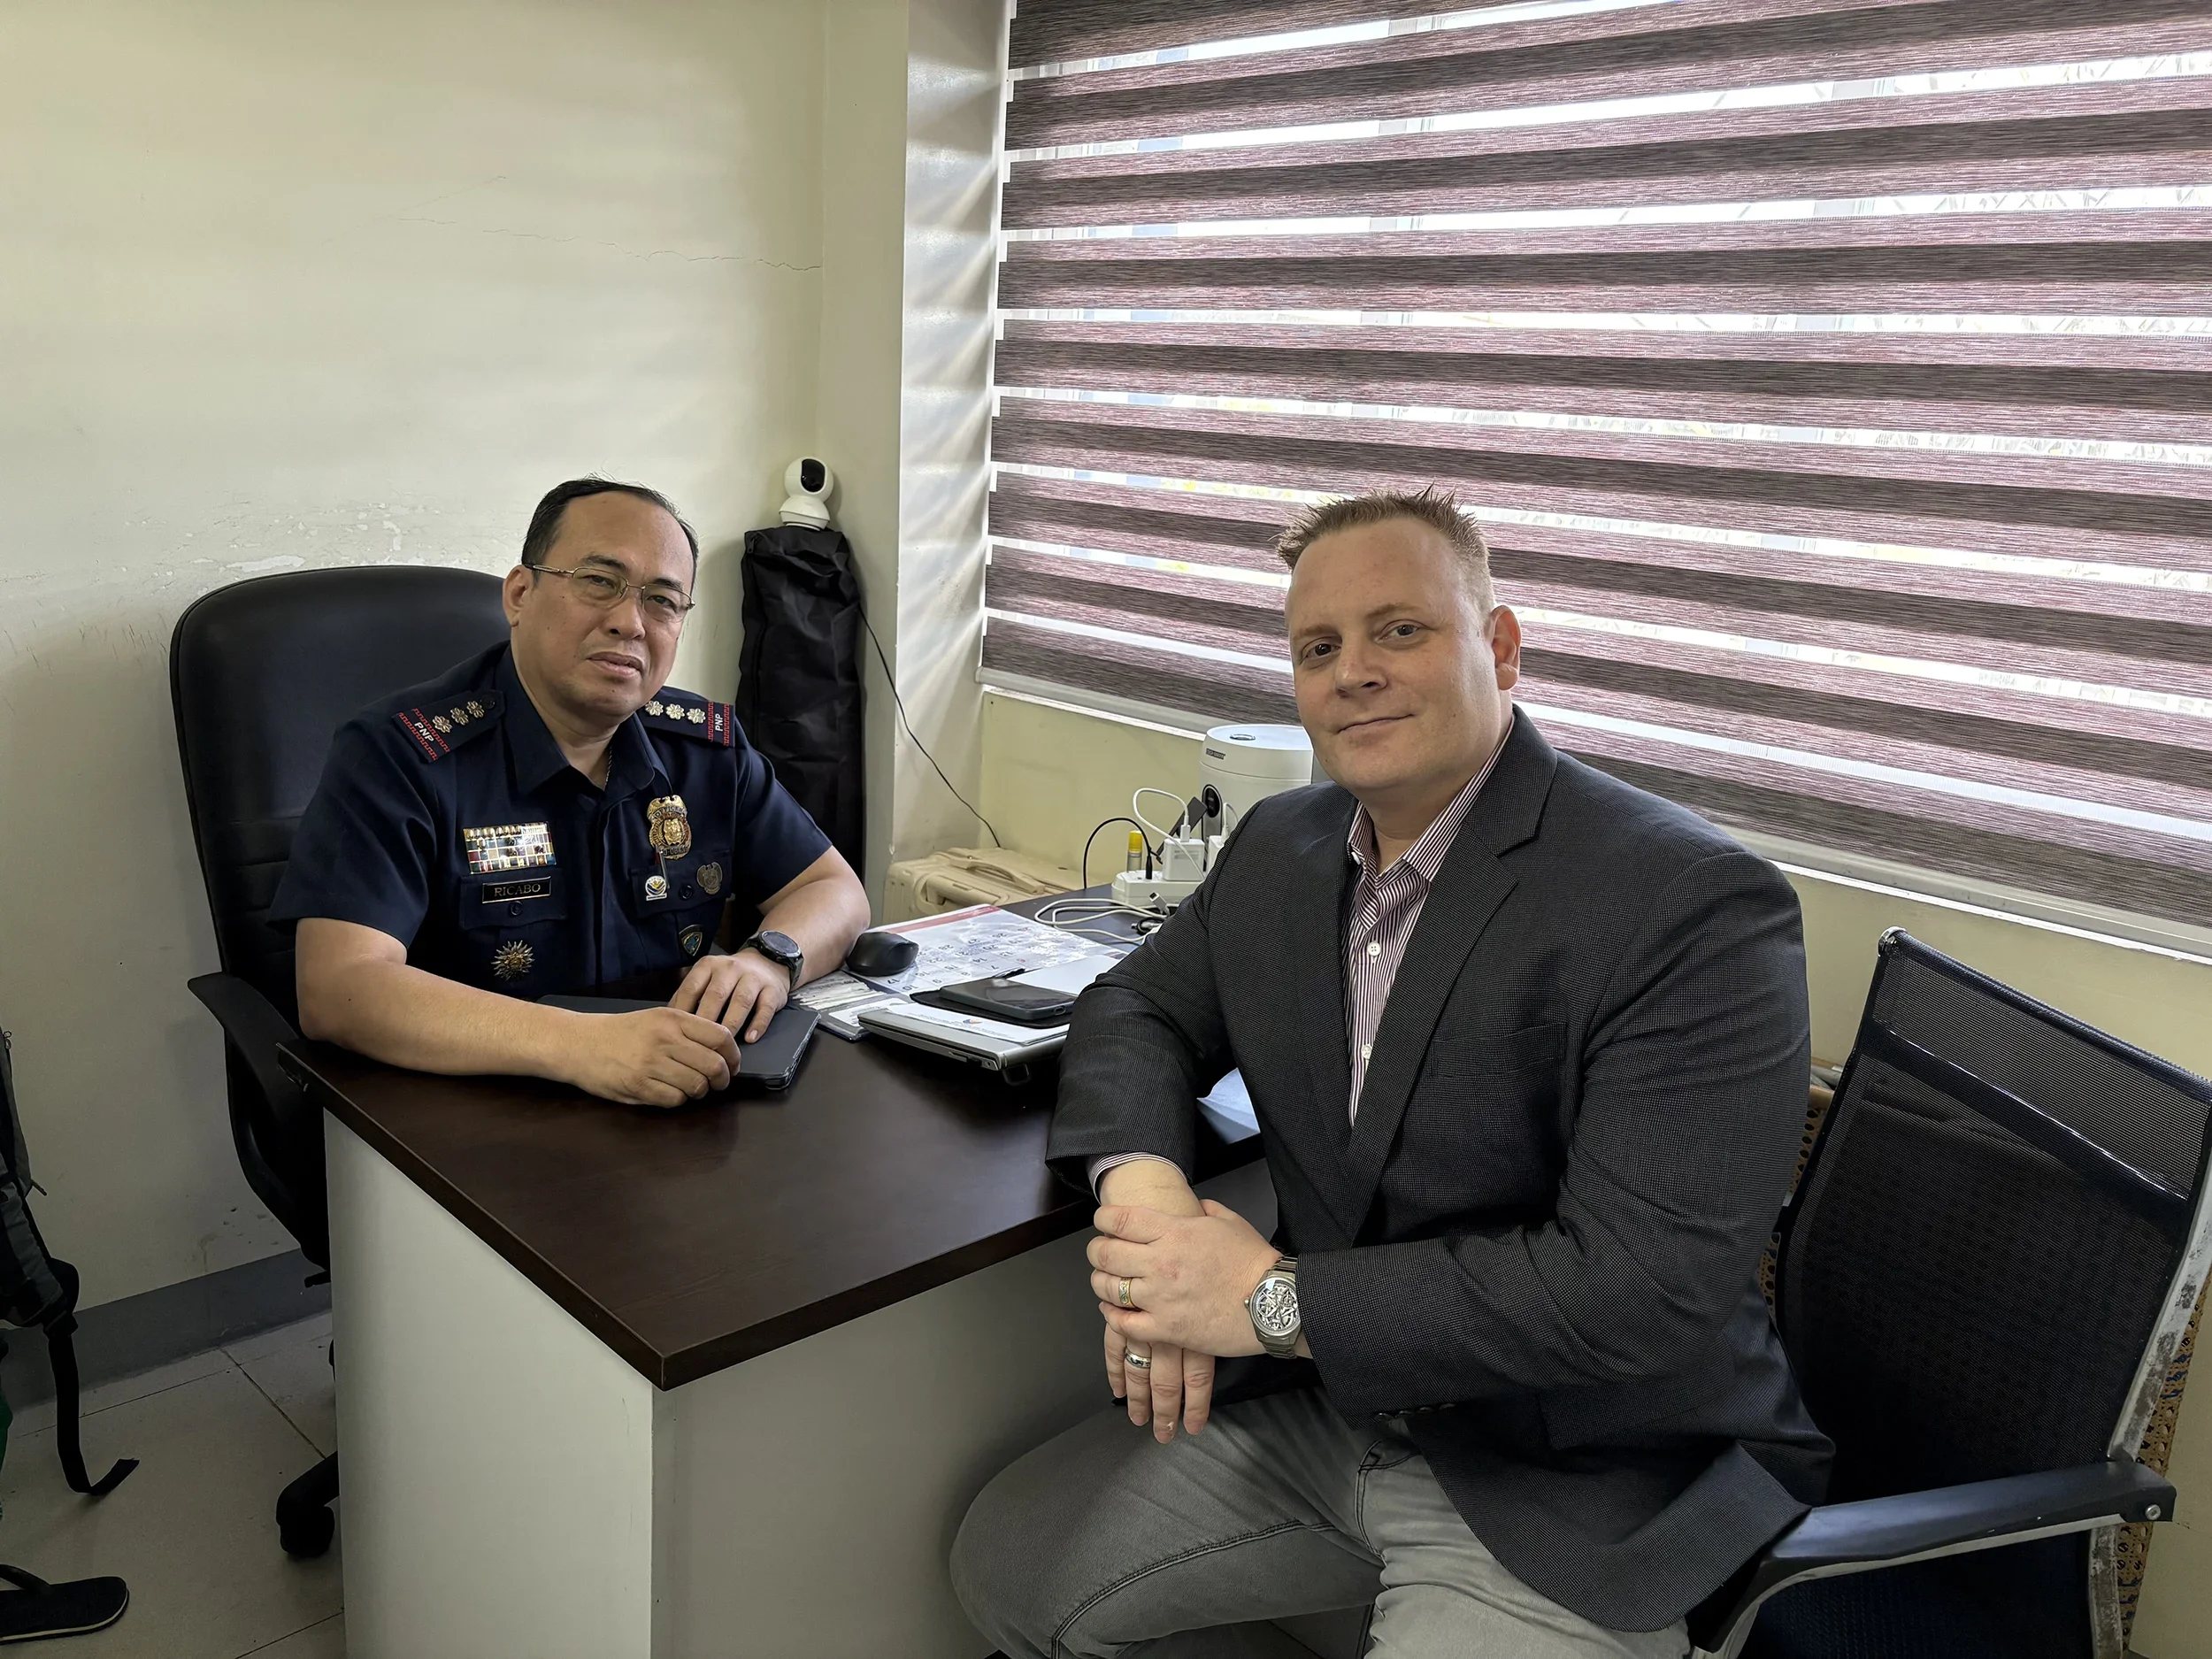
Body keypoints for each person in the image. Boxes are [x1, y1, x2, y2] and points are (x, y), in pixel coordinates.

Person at [952, 488, 1831, 1657]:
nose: (1353, 670)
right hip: (1342, 1409)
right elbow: (1138, 1005)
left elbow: (1643, 1287)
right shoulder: (1283, 845)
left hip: (1582, 1474)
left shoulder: (1687, 903)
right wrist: (1146, 1190)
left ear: (1501, 646)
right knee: (1009, 1564)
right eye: (1319, 646)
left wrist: (1269, 1302)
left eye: (1399, 629)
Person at [272, 477, 871, 1108]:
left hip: (668, 1091)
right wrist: (585, 1045)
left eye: (664, 601)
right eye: (598, 581)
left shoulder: (706, 753)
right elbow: (340, 988)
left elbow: (833, 891)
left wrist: (769, 960)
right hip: (467, 1113)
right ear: (521, 593)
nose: (629, 623)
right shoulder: (400, 757)